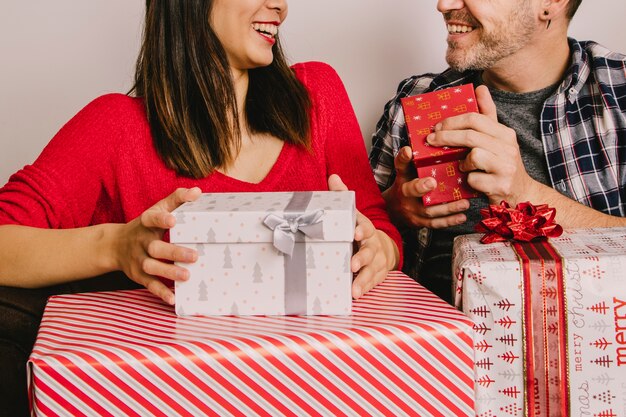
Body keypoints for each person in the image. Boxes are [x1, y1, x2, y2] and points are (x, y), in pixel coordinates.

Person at [0, 1, 402, 415]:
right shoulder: (115, 126)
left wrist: (378, 249)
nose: (281, 5)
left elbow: (379, 229)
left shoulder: (317, 94)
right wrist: (116, 245)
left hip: (317, 391)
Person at [369, 0, 626, 302]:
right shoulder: (416, 101)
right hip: (440, 343)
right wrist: (394, 210)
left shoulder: (618, 92)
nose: (443, 5)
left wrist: (525, 193)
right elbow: (360, 244)